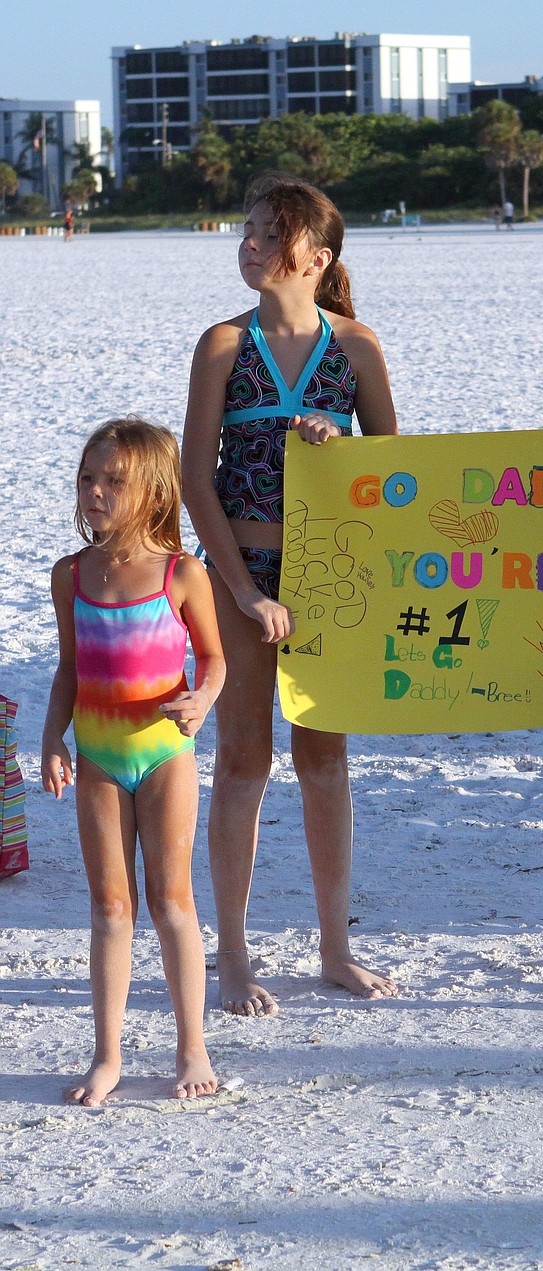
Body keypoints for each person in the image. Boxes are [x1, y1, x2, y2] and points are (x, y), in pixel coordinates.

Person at [182, 172, 399, 1016]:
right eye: (247, 230)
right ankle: (231, 956)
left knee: (324, 760)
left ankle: (335, 948)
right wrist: (239, 591)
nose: (250, 244)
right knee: (242, 759)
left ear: (317, 256)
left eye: (269, 234)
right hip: (241, 573)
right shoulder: (222, 345)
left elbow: (395, 471)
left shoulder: (358, 347)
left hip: (333, 577)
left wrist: (338, 443)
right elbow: (197, 480)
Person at [41, 418, 226, 1105]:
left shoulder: (182, 573)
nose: (95, 491)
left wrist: (203, 697)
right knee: (110, 905)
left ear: (151, 493)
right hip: (96, 757)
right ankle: (109, 1053)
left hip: (165, 755)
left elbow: (213, 657)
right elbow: (68, 668)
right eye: (89, 478)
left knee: (171, 899)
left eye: (112, 481)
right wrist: (52, 737)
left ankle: (192, 1045)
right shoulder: (71, 575)